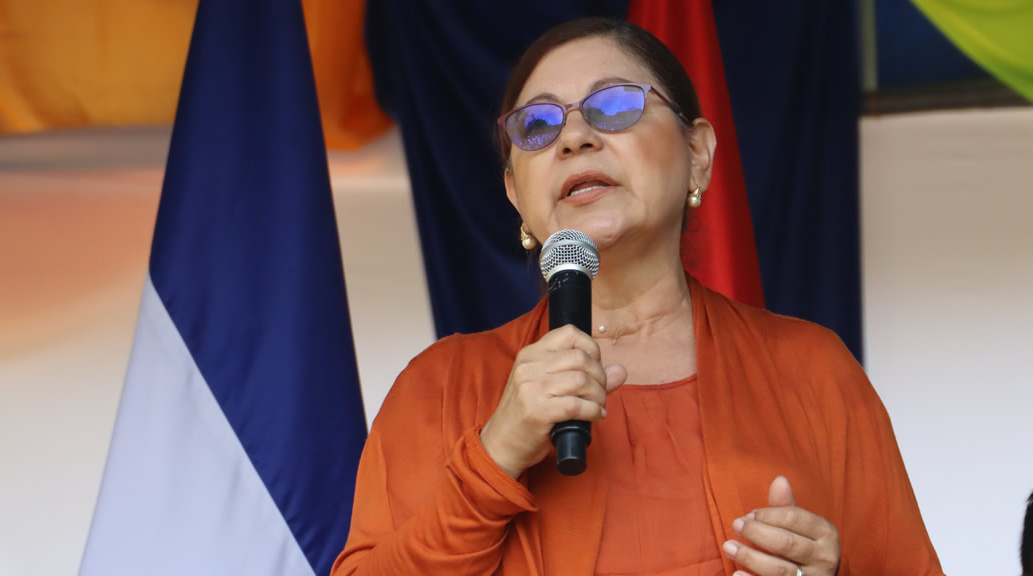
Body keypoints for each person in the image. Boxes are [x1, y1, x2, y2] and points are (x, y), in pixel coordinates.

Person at [332, 17, 943, 576]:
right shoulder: (438, 387)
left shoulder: (812, 369)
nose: (572, 138)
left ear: (697, 155)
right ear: (516, 194)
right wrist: (496, 454)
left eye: (614, 105)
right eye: (538, 125)